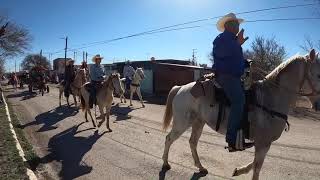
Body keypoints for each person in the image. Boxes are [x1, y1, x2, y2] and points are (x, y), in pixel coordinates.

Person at [212, 13, 252, 151]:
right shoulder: (221, 38)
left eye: (238, 24)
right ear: (228, 26)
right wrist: (237, 44)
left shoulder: (233, 40)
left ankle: (244, 132)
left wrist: (245, 63)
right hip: (225, 76)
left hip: (234, 76)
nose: (238, 27)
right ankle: (231, 140)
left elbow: (234, 59)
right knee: (239, 100)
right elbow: (221, 53)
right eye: (235, 24)